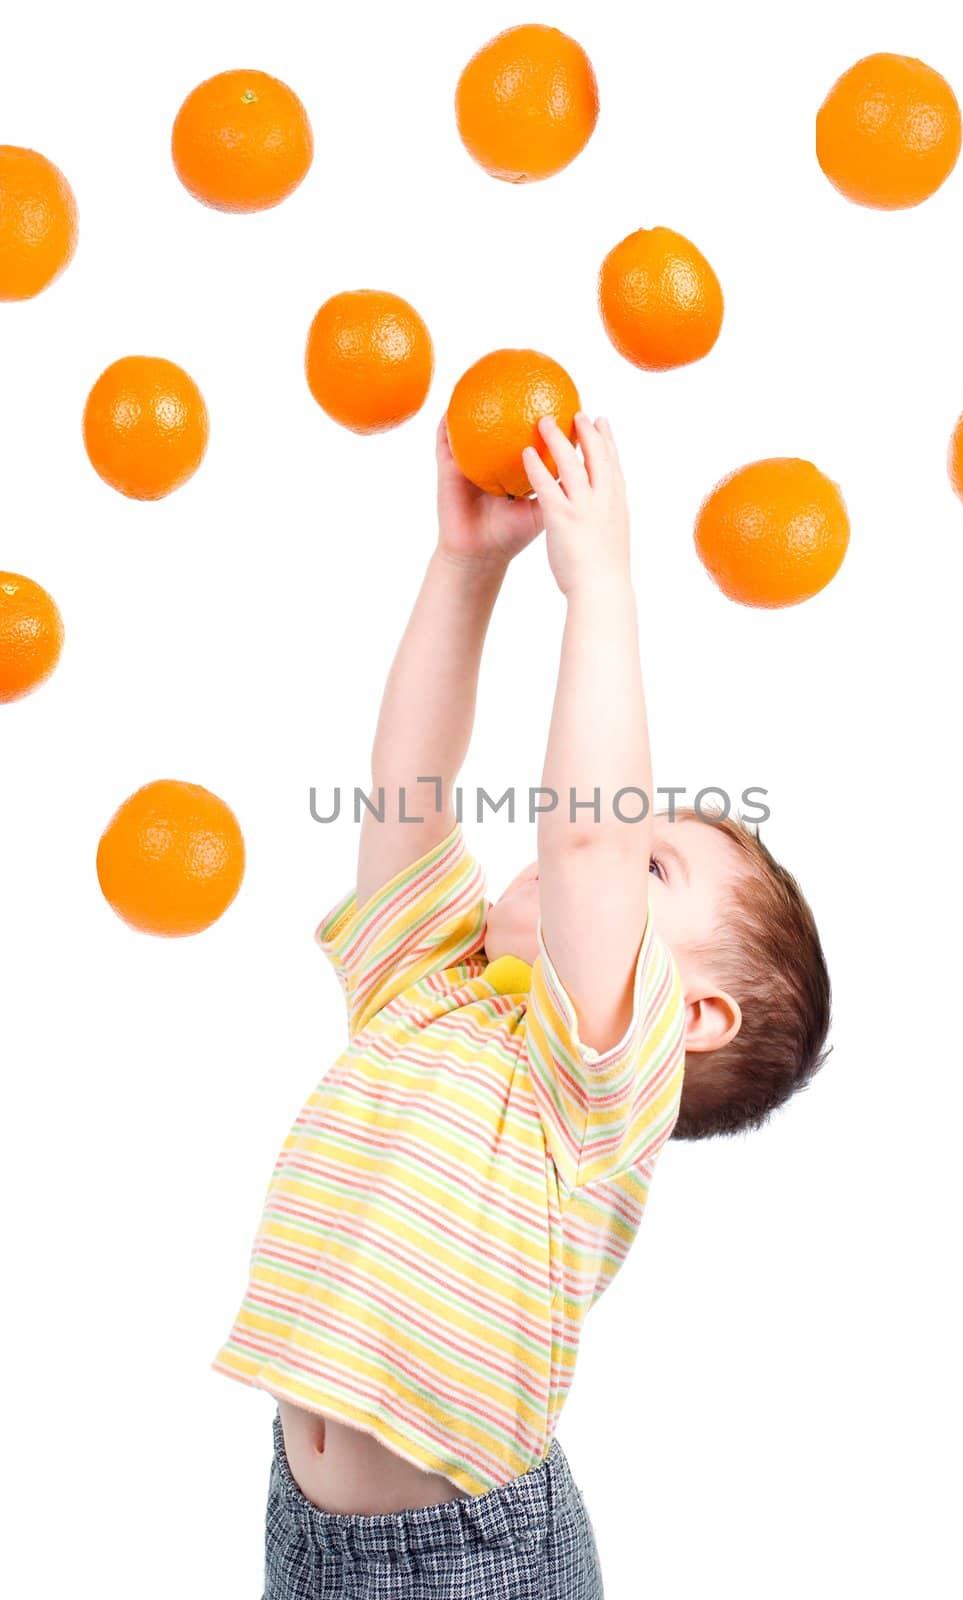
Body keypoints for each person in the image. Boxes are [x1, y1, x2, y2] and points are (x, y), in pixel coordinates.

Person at [212, 411, 832, 1598]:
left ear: (685, 1017)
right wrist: (466, 568)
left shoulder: (594, 1084)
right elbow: (409, 783)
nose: (588, 854)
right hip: (305, 1530)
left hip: (471, 1560)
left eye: (656, 870)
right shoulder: (430, 988)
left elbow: (589, 831)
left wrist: (599, 581)